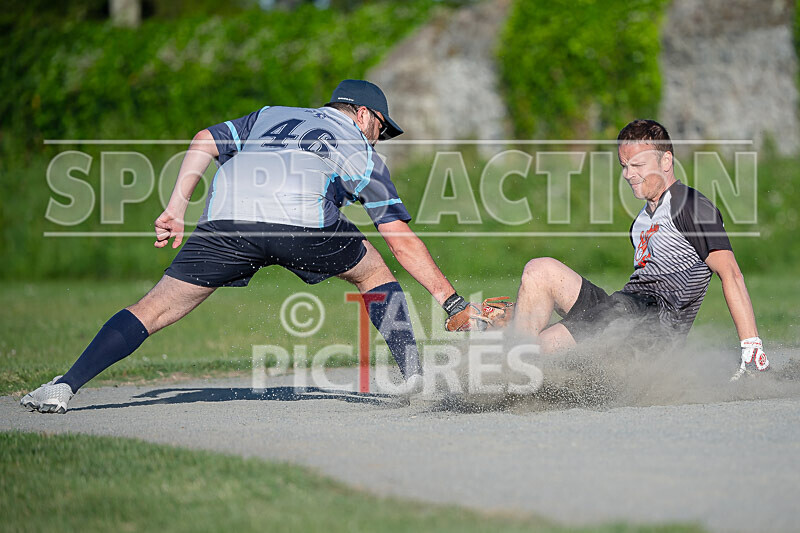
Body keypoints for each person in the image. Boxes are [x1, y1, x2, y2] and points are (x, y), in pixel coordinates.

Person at [21, 79, 476, 413]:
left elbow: (204, 141)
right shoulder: (361, 150)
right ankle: (418, 380)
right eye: (380, 127)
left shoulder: (269, 114)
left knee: (154, 308)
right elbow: (399, 238)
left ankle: (64, 386)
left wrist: (176, 207)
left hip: (226, 220)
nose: (379, 137)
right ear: (361, 114)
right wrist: (451, 300)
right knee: (373, 272)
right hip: (301, 223)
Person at [511, 119, 769, 378]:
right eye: (624, 166)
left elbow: (731, 274)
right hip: (621, 311)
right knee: (539, 270)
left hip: (648, 334)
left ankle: (517, 378)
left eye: (637, 165)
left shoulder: (690, 206)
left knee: (541, 347)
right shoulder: (641, 222)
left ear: (666, 161)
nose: (628, 174)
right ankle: (515, 370)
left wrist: (752, 347)